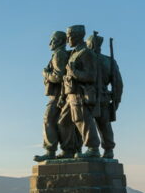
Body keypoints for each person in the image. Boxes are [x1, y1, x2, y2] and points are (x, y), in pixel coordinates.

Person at [35, 31, 77, 161]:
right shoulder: (61, 54)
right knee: (63, 123)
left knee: (49, 120)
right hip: (63, 95)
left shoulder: (58, 55)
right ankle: (67, 150)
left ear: (59, 41)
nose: (49, 44)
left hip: (59, 95)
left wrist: (46, 74)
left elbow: (59, 77)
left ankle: (51, 151)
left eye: (52, 40)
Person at [62, 24, 101, 158]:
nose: (67, 40)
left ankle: (93, 148)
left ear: (77, 36)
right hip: (70, 94)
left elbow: (91, 76)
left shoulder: (86, 53)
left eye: (69, 37)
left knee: (83, 120)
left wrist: (74, 72)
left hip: (80, 93)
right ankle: (69, 149)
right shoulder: (74, 53)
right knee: (63, 122)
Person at [86, 34, 123, 159]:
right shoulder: (109, 61)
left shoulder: (87, 59)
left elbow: (118, 84)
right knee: (104, 125)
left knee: (88, 124)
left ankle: (94, 149)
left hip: (88, 98)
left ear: (90, 44)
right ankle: (108, 150)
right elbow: (118, 85)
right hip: (104, 98)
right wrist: (116, 101)